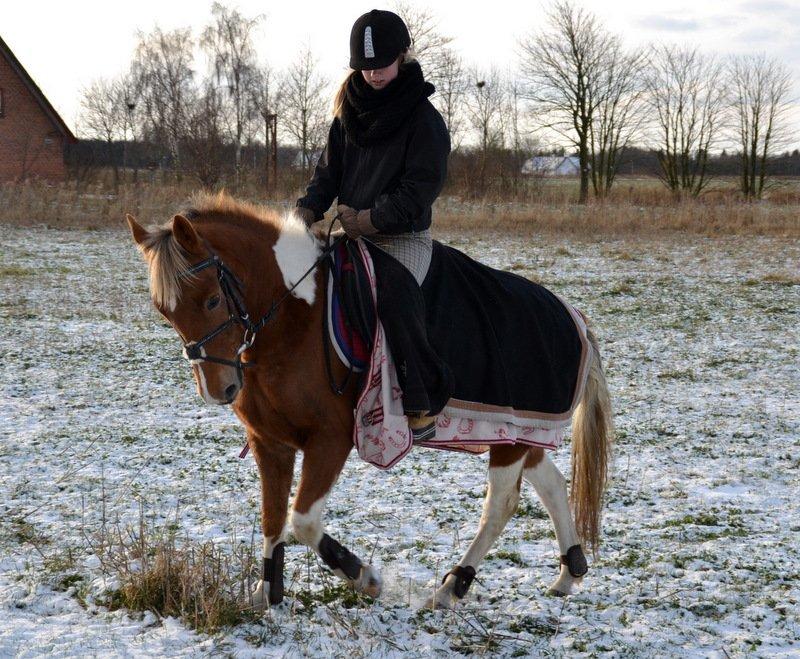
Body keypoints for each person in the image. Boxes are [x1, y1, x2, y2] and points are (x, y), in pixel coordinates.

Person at [293, 8, 453, 441]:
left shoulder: (425, 120)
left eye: (380, 65)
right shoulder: (348, 110)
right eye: (364, 68)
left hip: (403, 239)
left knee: (394, 296)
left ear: (403, 56)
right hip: (352, 234)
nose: (373, 75)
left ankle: (420, 403)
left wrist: (370, 219)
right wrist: (306, 211)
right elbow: (327, 174)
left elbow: (420, 189)